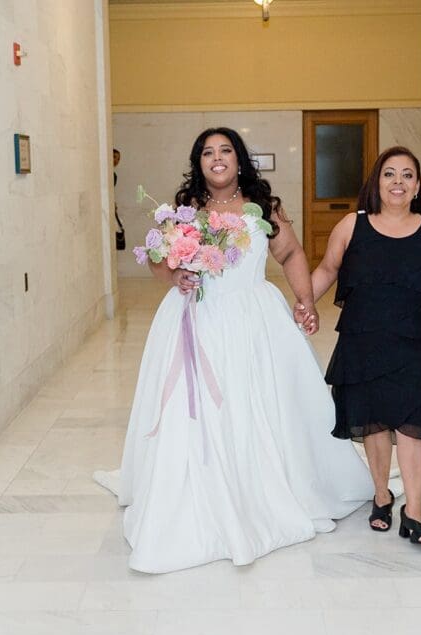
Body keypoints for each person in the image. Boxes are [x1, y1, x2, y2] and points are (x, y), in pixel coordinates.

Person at [94, 127, 393, 574]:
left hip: (255, 321)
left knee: (262, 402)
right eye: (208, 152)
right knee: (191, 414)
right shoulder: (185, 211)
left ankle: (268, 485)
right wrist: (174, 276)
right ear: (198, 163)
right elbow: (159, 258)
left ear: (239, 159)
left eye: (225, 151)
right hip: (196, 320)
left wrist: (305, 301)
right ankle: (197, 491)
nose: (217, 158)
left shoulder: (264, 207)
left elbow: (291, 254)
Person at [308, 146, 421, 545]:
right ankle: (381, 494)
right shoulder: (351, 225)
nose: (398, 182)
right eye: (389, 174)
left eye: (407, 175)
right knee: (374, 421)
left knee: (413, 423)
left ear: (417, 186)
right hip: (364, 339)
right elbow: (327, 269)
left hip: (415, 342)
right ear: (377, 182)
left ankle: (415, 511)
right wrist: (302, 305)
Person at [113, 148, 125, 250]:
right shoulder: (111, 175)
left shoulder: (113, 175)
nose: (116, 161)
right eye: (114, 157)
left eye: (118, 159)